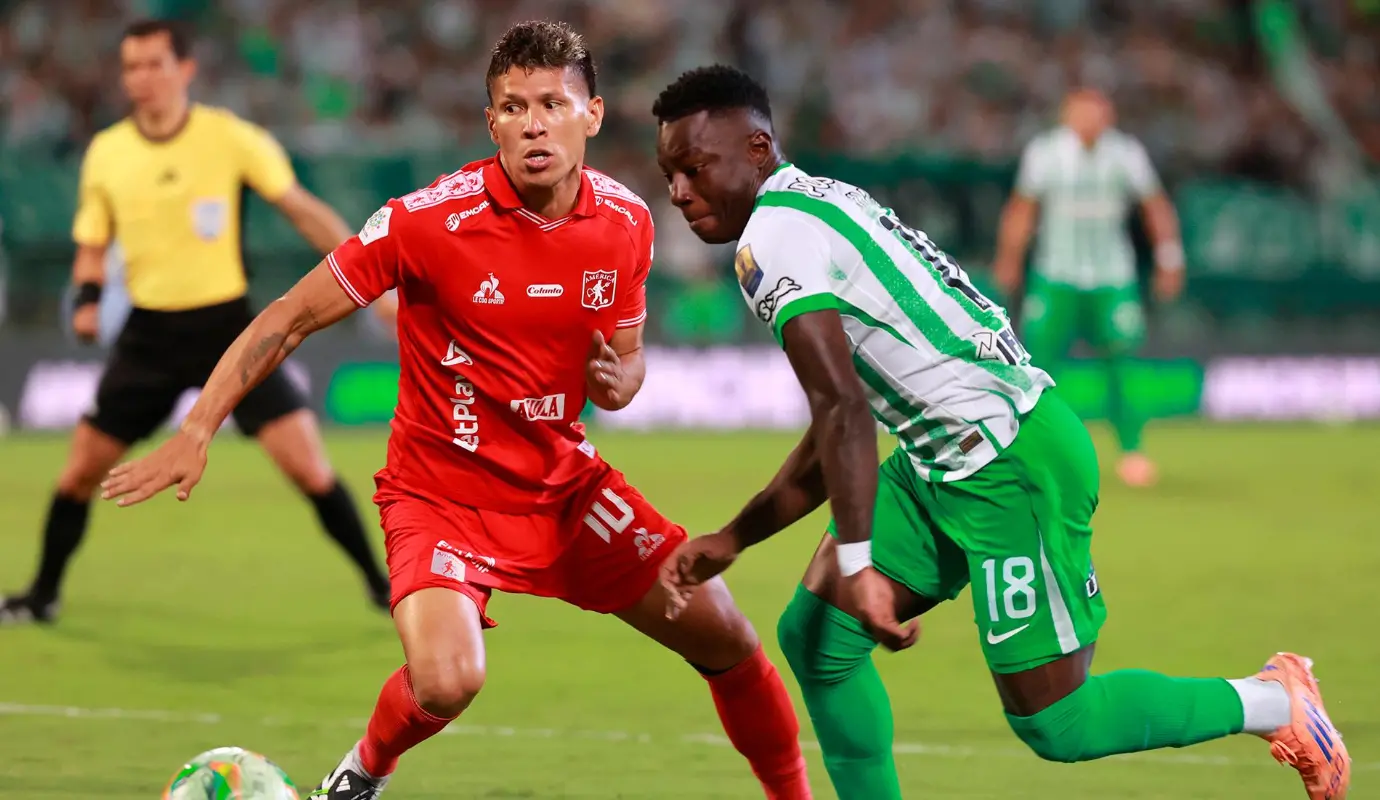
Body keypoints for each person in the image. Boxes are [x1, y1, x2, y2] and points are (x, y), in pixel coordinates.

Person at [101, 23, 810, 800]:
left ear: (593, 114)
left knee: (728, 636)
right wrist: (199, 426)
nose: (534, 122)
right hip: (442, 495)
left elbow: (627, 359)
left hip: (564, 488)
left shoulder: (626, 223)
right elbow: (286, 319)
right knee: (448, 680)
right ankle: (364, 769)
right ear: (491, 123)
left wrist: (621, 381)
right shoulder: (427, 222)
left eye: (552, 102)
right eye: (513, 106)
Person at [652, 65, 1349, 800]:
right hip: (940, 459)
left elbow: (841, 412)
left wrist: (857, 564)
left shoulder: (774, 237)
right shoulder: (812, 201)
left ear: (758, 148)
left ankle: (1275, 700)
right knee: (819, 640)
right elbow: (843, 411)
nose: (678, 191)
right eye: (670, 174)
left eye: (696, 168)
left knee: (1058, 723)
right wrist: (734, 539)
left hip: (1011, 464)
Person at [0, 18, 390, 625]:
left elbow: (303, 211)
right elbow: (91, 245)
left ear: (185, 70)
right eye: (131, 67)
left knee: (310, 468)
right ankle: (42, 594)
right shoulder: (108, 152)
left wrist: (372, 274)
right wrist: (85, 297)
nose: (142, 78)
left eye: (154, 64)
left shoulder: (229, 138)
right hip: (148, 339)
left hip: (231, 335)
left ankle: (381, 587)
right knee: (78, 473)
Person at [992, 89, 1185, 487]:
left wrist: (1169, 258)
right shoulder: (1045, 153)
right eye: (1082, 113)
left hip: (1112, 278)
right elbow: (1023, 208)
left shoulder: (1126, 154)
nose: (1089, 121)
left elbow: (1155, 206)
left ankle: (1132, 451)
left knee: (1123, 364)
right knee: (1039, 368)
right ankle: (1033, 452)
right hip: (1055, 275)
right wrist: (1009, 258)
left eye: (1097, 113)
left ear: (1109, 116)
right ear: (1066, 116)